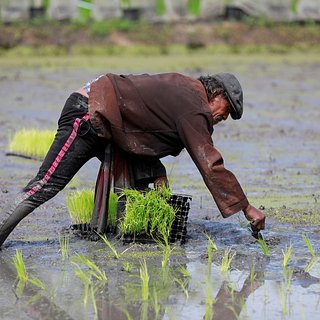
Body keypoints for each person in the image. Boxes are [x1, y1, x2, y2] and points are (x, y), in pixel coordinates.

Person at [0, 72, 265, 247]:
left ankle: (112, 245)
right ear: (216, 94)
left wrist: (157, 171)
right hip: (88, 113)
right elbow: (209, 163)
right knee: (46, 185)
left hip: (111, 126)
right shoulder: (194, 106)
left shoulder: (186, 90)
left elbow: (144, 128)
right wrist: (246, 207)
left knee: (132, 192)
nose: (224, 118)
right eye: (227, 109)